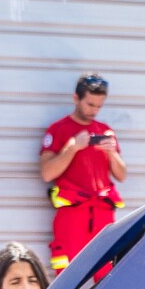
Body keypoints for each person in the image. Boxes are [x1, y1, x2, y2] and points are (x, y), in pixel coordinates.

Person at [39, 73, 126, 273]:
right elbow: (46, 173)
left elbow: (121, 175)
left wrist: (112, 153)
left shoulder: (105, 131)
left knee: (107, 275)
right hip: (72, 216)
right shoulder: (59, 130)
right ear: (76, 98)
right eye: (90, 104)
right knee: (67, 277)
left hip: (103, 215)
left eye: (99, 106)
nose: (94, 111)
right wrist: (73, 147)